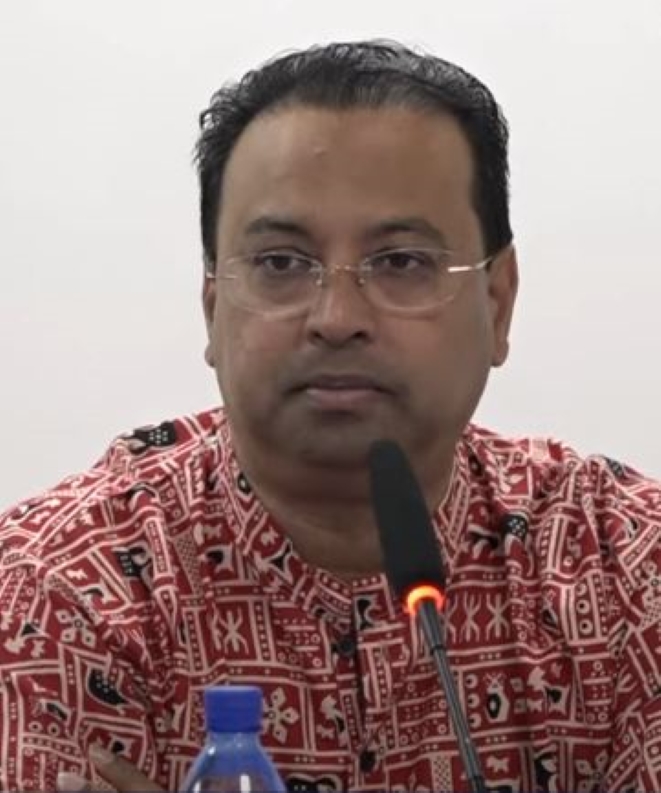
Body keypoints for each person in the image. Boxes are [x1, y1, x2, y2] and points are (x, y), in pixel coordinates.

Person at [1, 39, 660, 793]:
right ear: (212, 306)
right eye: (282, 263)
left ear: (498, 301)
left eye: (401, 261)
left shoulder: (627, 570)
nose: (337, 318)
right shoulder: (56, 592)